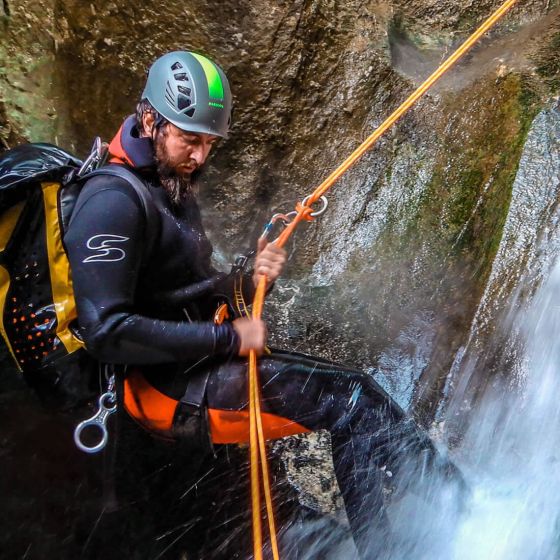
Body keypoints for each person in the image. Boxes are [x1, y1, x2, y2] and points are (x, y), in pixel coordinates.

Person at [64, 51, 462, 559]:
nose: (200, 156)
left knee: (357, 395)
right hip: (164, 387)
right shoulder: (111, 201)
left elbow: (190, 289)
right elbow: (107, 331)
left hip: (196, 362)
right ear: (149, 119)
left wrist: (252, 280)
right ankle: (425, 530)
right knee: (350, 404)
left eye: (209, 143)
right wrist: (229, 337)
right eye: (190, 138)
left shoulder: (169, 183)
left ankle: (447, 513)